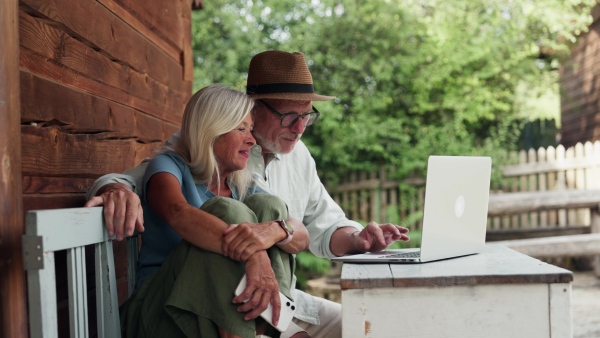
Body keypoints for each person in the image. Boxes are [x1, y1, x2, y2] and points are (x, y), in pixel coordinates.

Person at [86, 50, 410, 338]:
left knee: (364, 324)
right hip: (188, 298)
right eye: (289, 116)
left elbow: (314, 228)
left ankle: (272, 328)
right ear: (255, 110)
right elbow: (153, 192)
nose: (299, 128)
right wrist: (255, 253)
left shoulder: (281, 163)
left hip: (263, 298)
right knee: (229, 211)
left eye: (307, 116)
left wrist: (354, 238)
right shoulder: (188, 154)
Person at [120, 83, 307, 338]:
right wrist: (255, 255)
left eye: (250, 129)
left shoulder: (243, 183)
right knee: (226, 211)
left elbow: (302, 235)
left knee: (270, 208)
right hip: (162, 311)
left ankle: (272, 322)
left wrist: (276, 230)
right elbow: (177, 212)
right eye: (241, 128)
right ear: (211, 130)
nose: (252, 140)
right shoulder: (168, 165)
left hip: (216, 318)